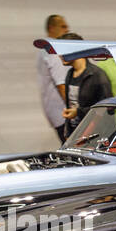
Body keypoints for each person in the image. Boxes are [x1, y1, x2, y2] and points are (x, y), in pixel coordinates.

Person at [59, 32, 112, 135]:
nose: (59, 55)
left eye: (63, 50)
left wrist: (78, 112)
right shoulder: (70, 74)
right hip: (75, 133)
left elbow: (107, 108)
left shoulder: (97, 75)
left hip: (93, 135)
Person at [38, 13, 70, 142]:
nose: (67, 29)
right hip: (63, 113)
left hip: (56, 111)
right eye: (63, 26)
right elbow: (61, 84)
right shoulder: (53, 50)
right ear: (51, 28)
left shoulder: (44, 49)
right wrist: (73, 110)